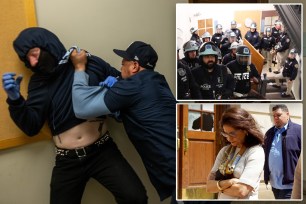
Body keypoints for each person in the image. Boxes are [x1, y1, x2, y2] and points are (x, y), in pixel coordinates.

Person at [2, 27, 147, 204]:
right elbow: (31, 127)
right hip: (67, 160)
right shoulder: (38, 83)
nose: (32, 63)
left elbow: (127, 87)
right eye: (27, 59)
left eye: (34, 54)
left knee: (136, 197)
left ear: (48, 45)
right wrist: (16, 100)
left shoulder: (88, 62)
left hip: (103, 151)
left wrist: (116, 83)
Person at [70, 41, 177, 203]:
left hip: (186, 175)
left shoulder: (132, 86)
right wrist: (117, 96)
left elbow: (81, 107)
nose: (120, 69)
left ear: (134, 66)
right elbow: (138, 113)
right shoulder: (158, 81)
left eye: (122, 64)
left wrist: (79, 69)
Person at [207, 107, 265, 199]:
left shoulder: (255, 152)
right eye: (225, 134)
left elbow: (241, 191)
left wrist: (218, 186)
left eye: (232, 134)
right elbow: (209, 187)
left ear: (245, 130)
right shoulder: (224, 151)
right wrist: (229, 182)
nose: (229, 139)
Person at [264, 105, 301, 199]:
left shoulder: (299, 131)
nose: (275, 118)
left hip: (291, 184)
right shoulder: (269, 133)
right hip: (274, 183)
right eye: (274, 116)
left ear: (287, 114)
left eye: (278, 115)